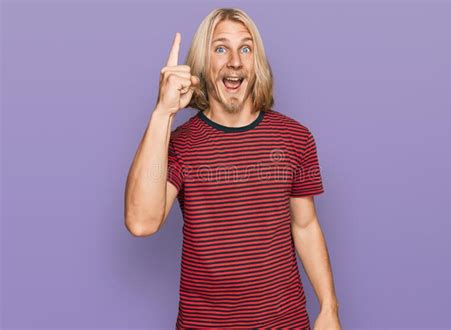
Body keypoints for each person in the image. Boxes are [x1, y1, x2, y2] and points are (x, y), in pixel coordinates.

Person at [124, 8, 341, 329]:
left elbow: (306, 226)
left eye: (246, 48)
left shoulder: (296, 137)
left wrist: (328, 308)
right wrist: (163, 112)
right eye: (221, 48)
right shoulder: (178, 145)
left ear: (256, 63)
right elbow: (142, 223)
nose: (235, 61)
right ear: (201, 64)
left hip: (285, 322)